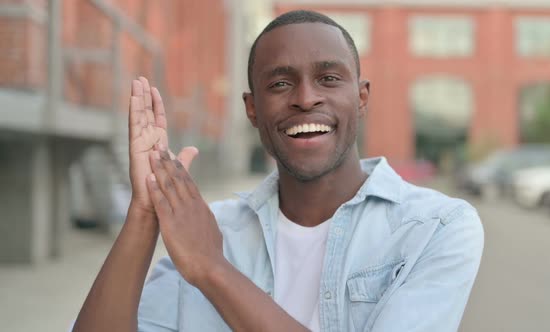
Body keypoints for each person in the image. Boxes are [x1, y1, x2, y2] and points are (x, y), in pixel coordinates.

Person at [72, 10, 484, 332]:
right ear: (252, 109)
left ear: (360, 97)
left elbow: (205, 261)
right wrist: (146, 215)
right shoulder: (206, 229)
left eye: (328, 78)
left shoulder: (437, 227)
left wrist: (213, 269)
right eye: (280, 84)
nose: (306, 98)